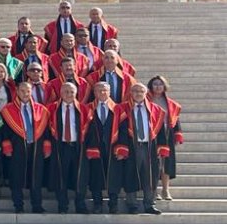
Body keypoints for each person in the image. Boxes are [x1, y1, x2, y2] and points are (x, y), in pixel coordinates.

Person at [0, 81, 50, 214]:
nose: (25, 94)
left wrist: (46, 146)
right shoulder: (7, 109)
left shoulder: (41, 110)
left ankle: (37, 205)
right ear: (17, 92)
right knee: (16, 176)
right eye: (22, 91)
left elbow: (46, 131)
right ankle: (18, 205)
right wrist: (6, 146)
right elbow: (4, 131)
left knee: (36, 176)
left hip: (36, 147)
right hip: (17, 147)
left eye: (28, 91)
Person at [113, 83, 163, 215]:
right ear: (130, 93)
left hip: (149, 147)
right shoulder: (123, 108)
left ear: (146, 93)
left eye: (141, 91)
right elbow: (119, 130)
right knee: (131, 175)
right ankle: (132, 204)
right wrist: (121, 148)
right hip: (132, 146)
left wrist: (162, 148)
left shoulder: (155, 109)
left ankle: (149, 204)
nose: (138, 94)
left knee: (150, 176)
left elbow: (161, 131)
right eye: (135, 91)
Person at [78, 82, 120, 214]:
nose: (102, 93)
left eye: (104, 90)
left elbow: (123, 130)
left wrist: (121, 147)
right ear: (94, 93)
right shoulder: (87, 109)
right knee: (95, 175)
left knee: (114, 175)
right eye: (98, 90)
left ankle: (113, 203)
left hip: (112, 146)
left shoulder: (118, 109)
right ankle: (97, 203)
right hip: (94, 147)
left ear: (110, 92)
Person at [46, 82, 86, 215]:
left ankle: (80, 204)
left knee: (80, 176)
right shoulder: (52, 109)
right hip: (60, 146)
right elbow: (46, 129)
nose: (69, 95)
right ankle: (63, 205)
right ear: (60, 93)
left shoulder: (83, 109)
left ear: (76, 93)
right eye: (66, 92)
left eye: (72, 92)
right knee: (60, 176)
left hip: (77, 147)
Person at [148, 75, 182, 202]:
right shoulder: (147, 100)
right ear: (151, 86)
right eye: (155, 84)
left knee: (166, 163)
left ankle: (165, 189)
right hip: (152, 134)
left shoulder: (171, 104)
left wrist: (177, 135)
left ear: (164, 86)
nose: (158, 86)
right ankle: (154, 190)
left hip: (167, 135)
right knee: (154, 162)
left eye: (160, 84)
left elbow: (175, 120)